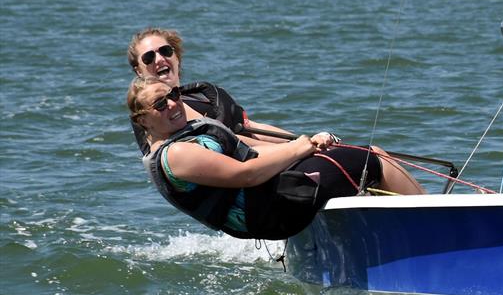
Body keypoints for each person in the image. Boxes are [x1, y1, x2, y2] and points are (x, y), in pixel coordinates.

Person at [128, 78, 426, 240]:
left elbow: (252, 152)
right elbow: (245, 174)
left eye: (174, 95)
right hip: (269, 212)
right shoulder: (176, 153)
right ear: (143, 121)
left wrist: (310, 146)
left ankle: (391, 238)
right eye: (159, 103)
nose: (173, 103)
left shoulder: (187, 134)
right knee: (372, 157)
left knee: (345, 156)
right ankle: (429, 226)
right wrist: (300, 149)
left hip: (268, 199)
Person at [127, 27, 288, 154]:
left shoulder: (197, 95)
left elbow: (250, 127)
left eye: (165, 51)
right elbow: (227, 139)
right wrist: (294, 150)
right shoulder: (164, 113)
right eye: (149, 58)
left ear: (176, 57)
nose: (160, 59)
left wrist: (299, 142)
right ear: (139, 71)